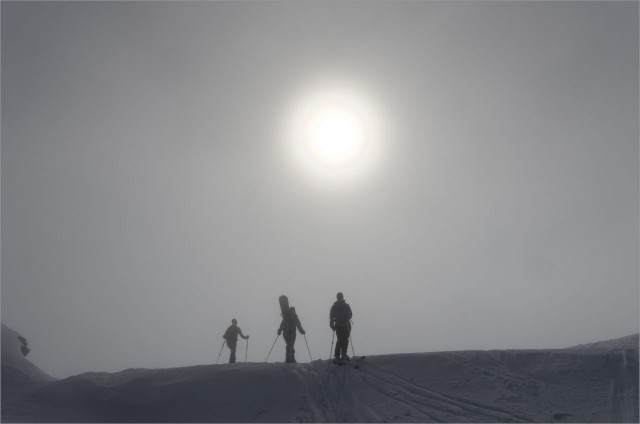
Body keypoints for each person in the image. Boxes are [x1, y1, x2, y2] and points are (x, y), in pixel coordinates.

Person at [330, 292, 352, 361]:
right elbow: (331, 317)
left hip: (345, 325)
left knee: (344, 339)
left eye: (340, 297)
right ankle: (338, 355)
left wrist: (332, 325)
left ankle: (343, 354)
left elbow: (350, 314)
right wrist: (332, 325)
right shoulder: (336, 306)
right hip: (341, 325)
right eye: (339, 297)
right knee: (341, 339)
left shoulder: (345, 306)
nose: (340, 298)